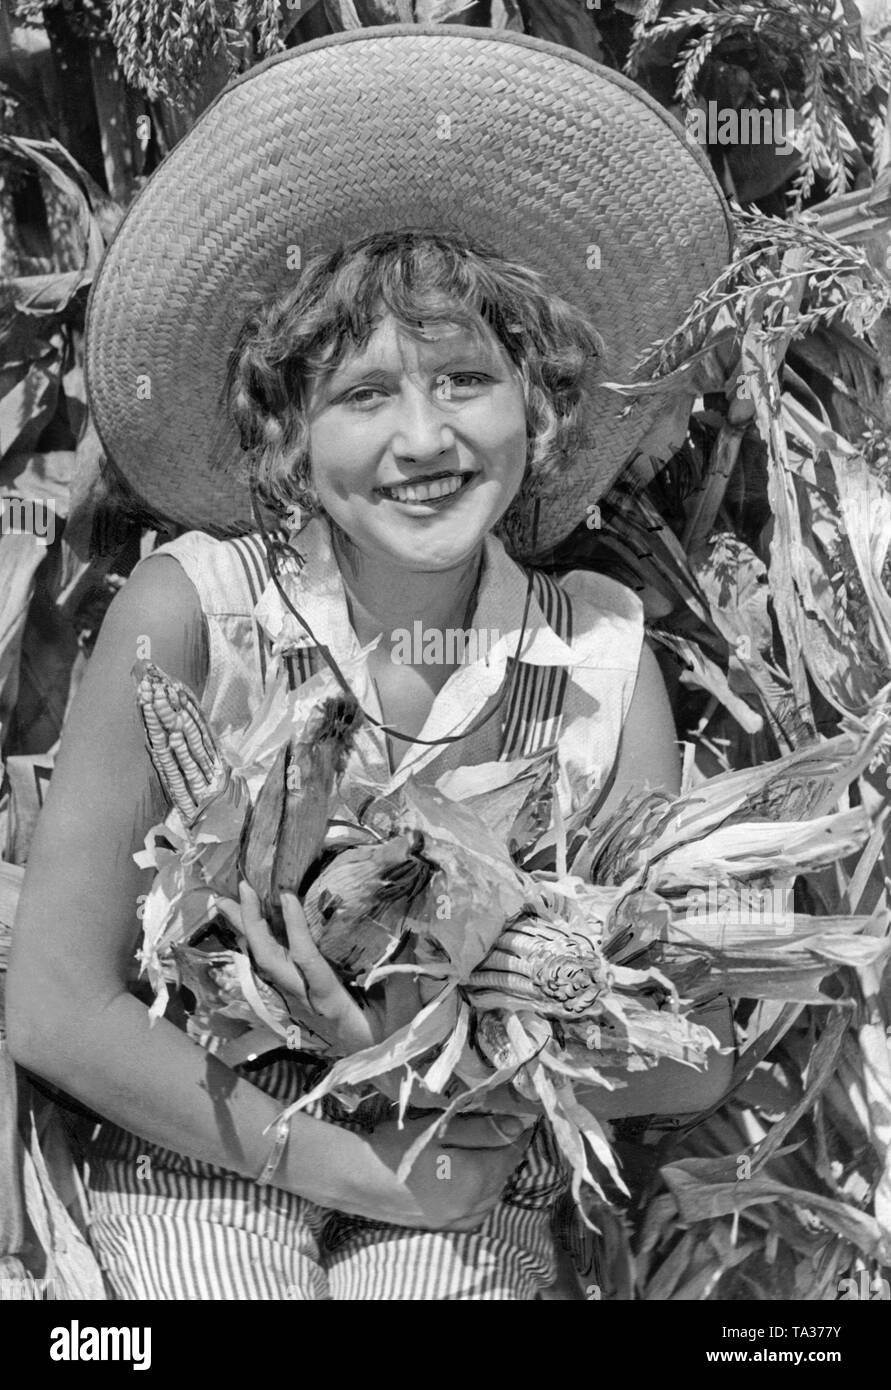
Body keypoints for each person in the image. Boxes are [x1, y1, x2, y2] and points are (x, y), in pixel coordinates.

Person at [6, 24, 735, 1300]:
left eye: (465, 378)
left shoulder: (600, 658)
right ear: (284, 436)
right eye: (359, 396)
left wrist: (443, 1036)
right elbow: (57, 1004)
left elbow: (695, 1052)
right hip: (211, 1126)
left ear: (540, 403)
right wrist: (348, 1160)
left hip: (474, 1136)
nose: (422, 438)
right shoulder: (194, 613)